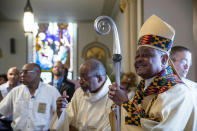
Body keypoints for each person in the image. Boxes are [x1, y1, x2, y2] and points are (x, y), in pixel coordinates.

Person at [108, 15, 197, 130]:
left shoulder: (178, 92)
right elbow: (132, 121)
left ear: (164, 59)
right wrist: (118, 105)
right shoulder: (143, 90)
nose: (139, 59)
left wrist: (125, 103)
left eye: (146, 55)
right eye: (137, 56)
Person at [51, 59, 113, 131]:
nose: (80, 82)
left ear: (99, 79)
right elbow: (68, 121)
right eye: (80, 78)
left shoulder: (112, 99)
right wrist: (61, 110)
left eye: (84, 79)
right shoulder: (79, 93)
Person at [0, 63, 60, 130]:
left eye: (26, 72)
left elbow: (60, 116)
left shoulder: (51, 91)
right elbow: (2, 110)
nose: (22, 75)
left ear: (37, 73)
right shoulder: (16, 91)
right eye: (21, 72)